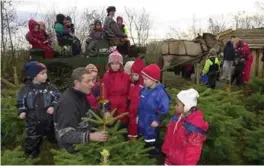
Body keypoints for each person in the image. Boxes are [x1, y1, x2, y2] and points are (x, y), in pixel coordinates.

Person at [54, 67, 109, 154]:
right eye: (88, 81)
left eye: (92, 80)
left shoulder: (81, 96)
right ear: (76, 83)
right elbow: (64, 135)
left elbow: (86, 116)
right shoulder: (68, 103)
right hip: (72, 154)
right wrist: (90, 136)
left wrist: (103, 113)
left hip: (83, 147)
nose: (92, 84)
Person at [17, 61, 60, 158]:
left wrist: (53, 106)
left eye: (46, 73)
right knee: (32, 135)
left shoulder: (50, 88)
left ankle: (59, 148)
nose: (45, 75)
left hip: (48, 117)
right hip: (32, 118)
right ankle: (31, 152)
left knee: (53, 132)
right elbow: (20, 101)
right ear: (34, 75)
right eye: (42, 73)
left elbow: (58, 98)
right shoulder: (26, 89)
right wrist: (22, 110)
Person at [162, 88, 208, 165]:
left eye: (177, 105)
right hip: (170, 158)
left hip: (182, 162)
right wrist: (166, 151)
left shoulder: (194, 127)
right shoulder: (176, 118)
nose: (175, 107)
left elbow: (193, 150)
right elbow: (169, 136)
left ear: (187, 106)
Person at [138, 64, 170, 158]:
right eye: (143, 79)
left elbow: (164, 109)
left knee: (152, 139)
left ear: (154, 79)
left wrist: (157, 120)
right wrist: (137, 115)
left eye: (146, 79)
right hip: (143, 119)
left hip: (152, 122)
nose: (144, 82)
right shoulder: (144, 90)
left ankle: (153, 157)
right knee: (143, 137)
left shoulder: (160, 93)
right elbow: (140, 104)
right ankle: (143, 154)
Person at [102, 50, 130, 128]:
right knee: (111, 125)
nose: (115, 66)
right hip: (111, 106)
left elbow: (130, 90)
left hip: (123, 106)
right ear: (109, 64)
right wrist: (106, 110)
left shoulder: (126, 76)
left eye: (117, 63)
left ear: (120, 64)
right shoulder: (106, 76)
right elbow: (104, 93)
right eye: (112, 63)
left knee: (123, 125)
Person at [127, 58, 145, 139]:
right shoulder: (132, 84)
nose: (134, 77)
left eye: (136, 75)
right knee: (131, 123)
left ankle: (136, 139)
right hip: (131, 109)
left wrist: (139, 112)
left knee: (136, 124)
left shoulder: (142, 87)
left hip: (137, 111)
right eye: (133, 74)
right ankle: (131, 137)